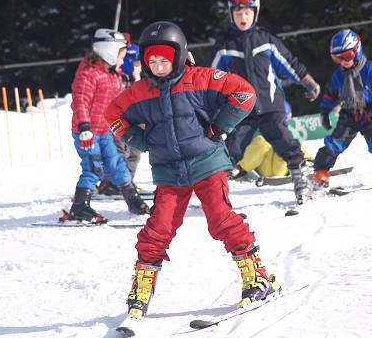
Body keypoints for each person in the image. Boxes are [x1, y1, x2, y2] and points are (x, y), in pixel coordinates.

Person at [105, 21, 281, 320]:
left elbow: (245, 93)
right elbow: (113, 115)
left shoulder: (200, 78)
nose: (159, 67)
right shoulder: (141, 91)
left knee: (221, 219)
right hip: (168, 173)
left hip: (207, 163)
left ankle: (259, 277)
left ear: (179, 56)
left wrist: (220, 126)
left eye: (164, 60)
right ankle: (142, 288)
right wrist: (139, 140)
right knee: (158, 228)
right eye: (152, 61)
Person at [205, 0, 321, 205]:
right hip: (240, 108)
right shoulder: (225, 44)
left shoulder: (265, 39)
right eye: (238, 13)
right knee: (231, 148)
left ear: (255, 13)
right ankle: (217, 195)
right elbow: (210, 76)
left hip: (270, 105)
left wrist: (307, 81)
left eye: (247, 12)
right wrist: (202, 102)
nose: (243, 17)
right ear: (231, 14)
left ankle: (302, 181)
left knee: (283, 139)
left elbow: (289, 63)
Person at [61, 28, 150, 224]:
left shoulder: (112, 75)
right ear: (109, 52)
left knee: (117, 164)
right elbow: (80, 101)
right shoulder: (88, 73)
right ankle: (79, 207)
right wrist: (84, 128)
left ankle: (133, 200)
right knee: (94, 168)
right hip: (87, 132)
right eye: (121, 56)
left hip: (105, 131)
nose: (122, 61)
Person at [312, 29, 372, 188]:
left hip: (369, 112)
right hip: (348, 113)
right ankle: (321, 170)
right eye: (337, 58)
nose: (343, 61)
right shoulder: (338, 75)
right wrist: (325, 112)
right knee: (335, 142)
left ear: (357, 50)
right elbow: (331, 95)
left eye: (347, 56)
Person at [96, 34, 144, 196]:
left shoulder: (135, 80)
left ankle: (127, 182)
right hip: (117, 123)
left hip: (133, 122)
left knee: (134, 153)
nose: (140, 68)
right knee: (118, 153)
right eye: (137, 64)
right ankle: (109, 183)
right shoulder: (117, 78)